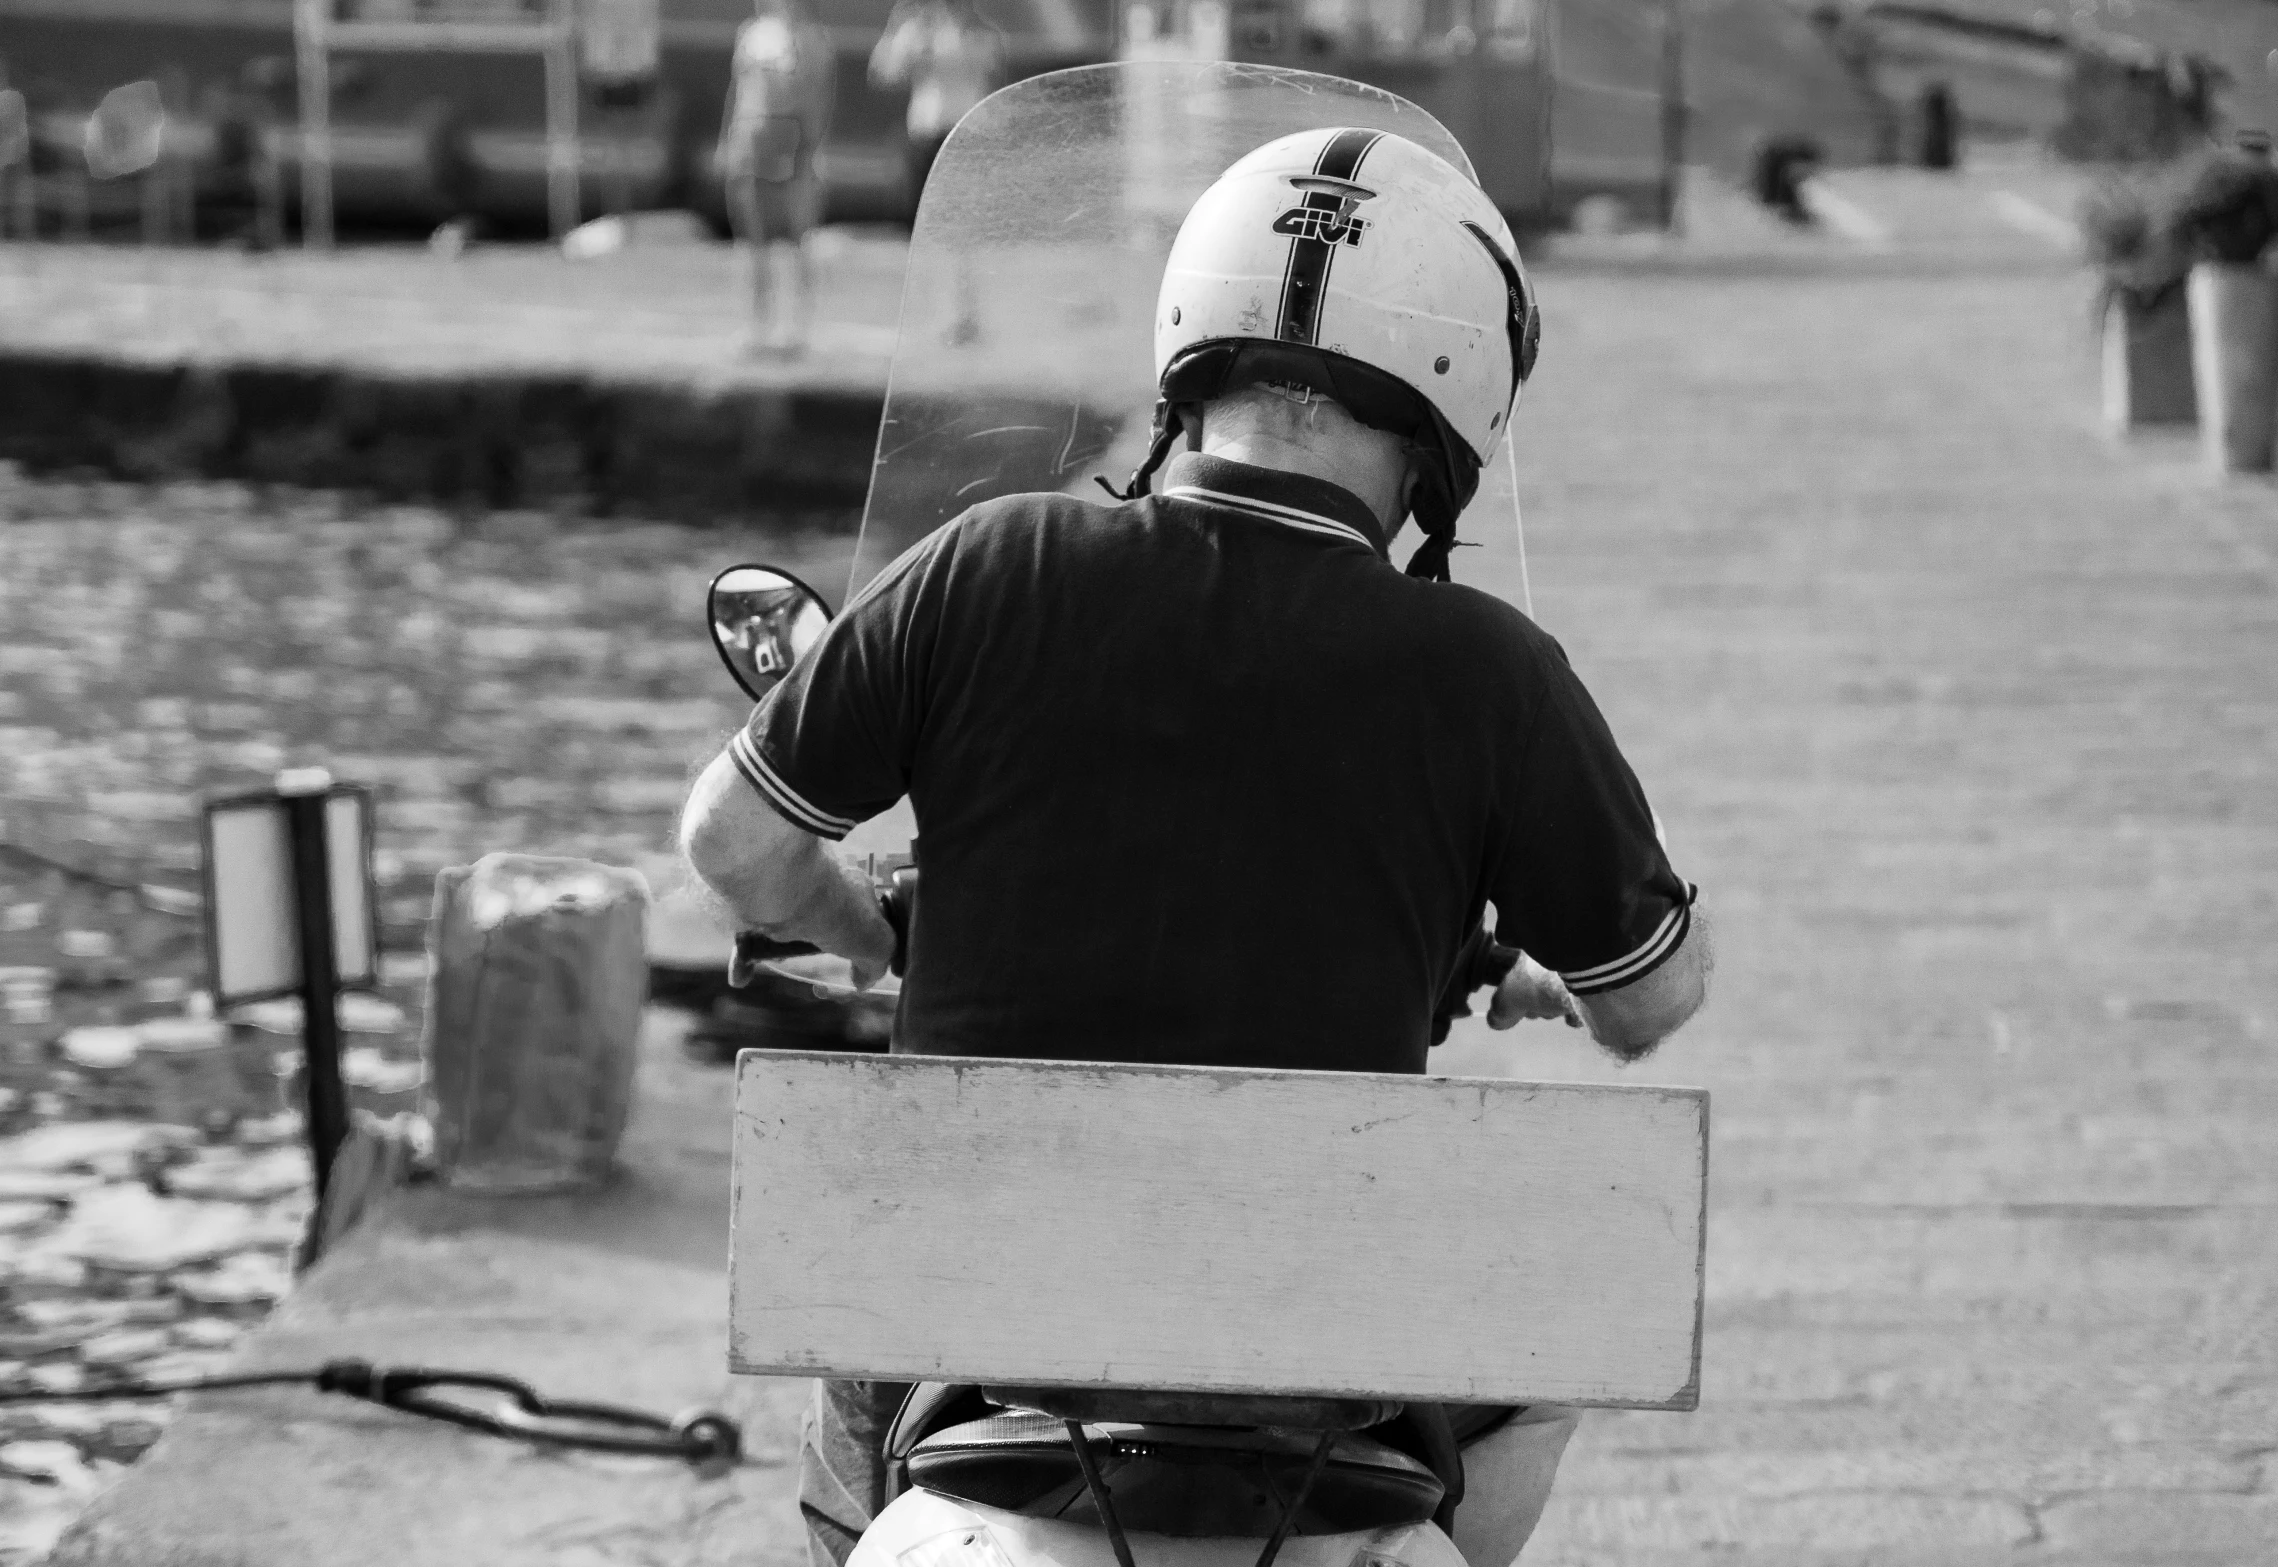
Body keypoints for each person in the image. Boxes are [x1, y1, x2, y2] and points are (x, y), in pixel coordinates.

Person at [681, 126, 1710, 1567]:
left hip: (990, 1381)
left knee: (859, 1342)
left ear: (1188, 357)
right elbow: (1650, 997)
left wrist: (876, 922)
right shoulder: (1488, 670)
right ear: (1453, 413)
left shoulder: (989, 565)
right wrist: (1593, 929)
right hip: (1311, 1405)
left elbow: (732, 842)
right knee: (1535, 1328)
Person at [718, 0, 835, 352]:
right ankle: (757, 325)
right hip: (750, 138)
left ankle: (797, 327)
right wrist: (728, 140)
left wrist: (810, 149)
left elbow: (817, 96)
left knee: (798, 236)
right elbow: (739, 91)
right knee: (752, 239)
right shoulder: (751, 34)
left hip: (791, 140)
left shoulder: (812, 38)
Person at [867, 0, 1002, 210]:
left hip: (968, 133)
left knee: (962, 210)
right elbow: (884, 74)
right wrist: (898, 30)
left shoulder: (979, 31)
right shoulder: (917, 30)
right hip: (925, 134)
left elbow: (994, 75)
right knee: (921, 210)